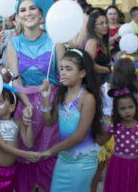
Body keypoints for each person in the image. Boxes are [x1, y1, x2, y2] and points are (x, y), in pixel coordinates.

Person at [6, 0, 65, 192]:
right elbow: (15, 79)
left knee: (49, 156)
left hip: (51, 104)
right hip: (26, 106)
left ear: (41, 13)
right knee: (25, 155)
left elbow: (65, 76)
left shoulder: (55, 41)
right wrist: (25, 104)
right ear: (18, 15)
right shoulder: (13, 43)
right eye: (22, 9)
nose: (28, 13)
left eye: (32, 8)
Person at [39, 48, 103, 191]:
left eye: (68, 69)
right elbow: (48, 122)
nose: (62, 72)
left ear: (82, 73)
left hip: (82, 161)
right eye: (61, 68)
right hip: (63, 159)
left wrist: (50, 151)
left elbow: (79, 136)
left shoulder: (87, 98)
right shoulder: (61, 95)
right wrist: (46, 98)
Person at [0, 87, 38, 192]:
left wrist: (29, 125)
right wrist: (26, 154)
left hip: (10, 172)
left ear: (11, 108)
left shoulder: (18, 123)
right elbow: (3, 146)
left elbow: (29, 144)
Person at [102, 86, 138, 192]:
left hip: (134, 165)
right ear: (117, 111)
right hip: (117, 163)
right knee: (116, 186)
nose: (127, 111)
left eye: (130, 107)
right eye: (123, 108)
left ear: (136, 107)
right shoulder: (115, 126)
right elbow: (102, 140)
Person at [85, 11, 111, 83]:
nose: (105, 25)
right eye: (101, 23)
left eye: (106, 22)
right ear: (93, 27)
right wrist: (110, 69)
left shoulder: (103, 41)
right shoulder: (92, 42)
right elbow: (90, 66)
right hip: (96, 82)